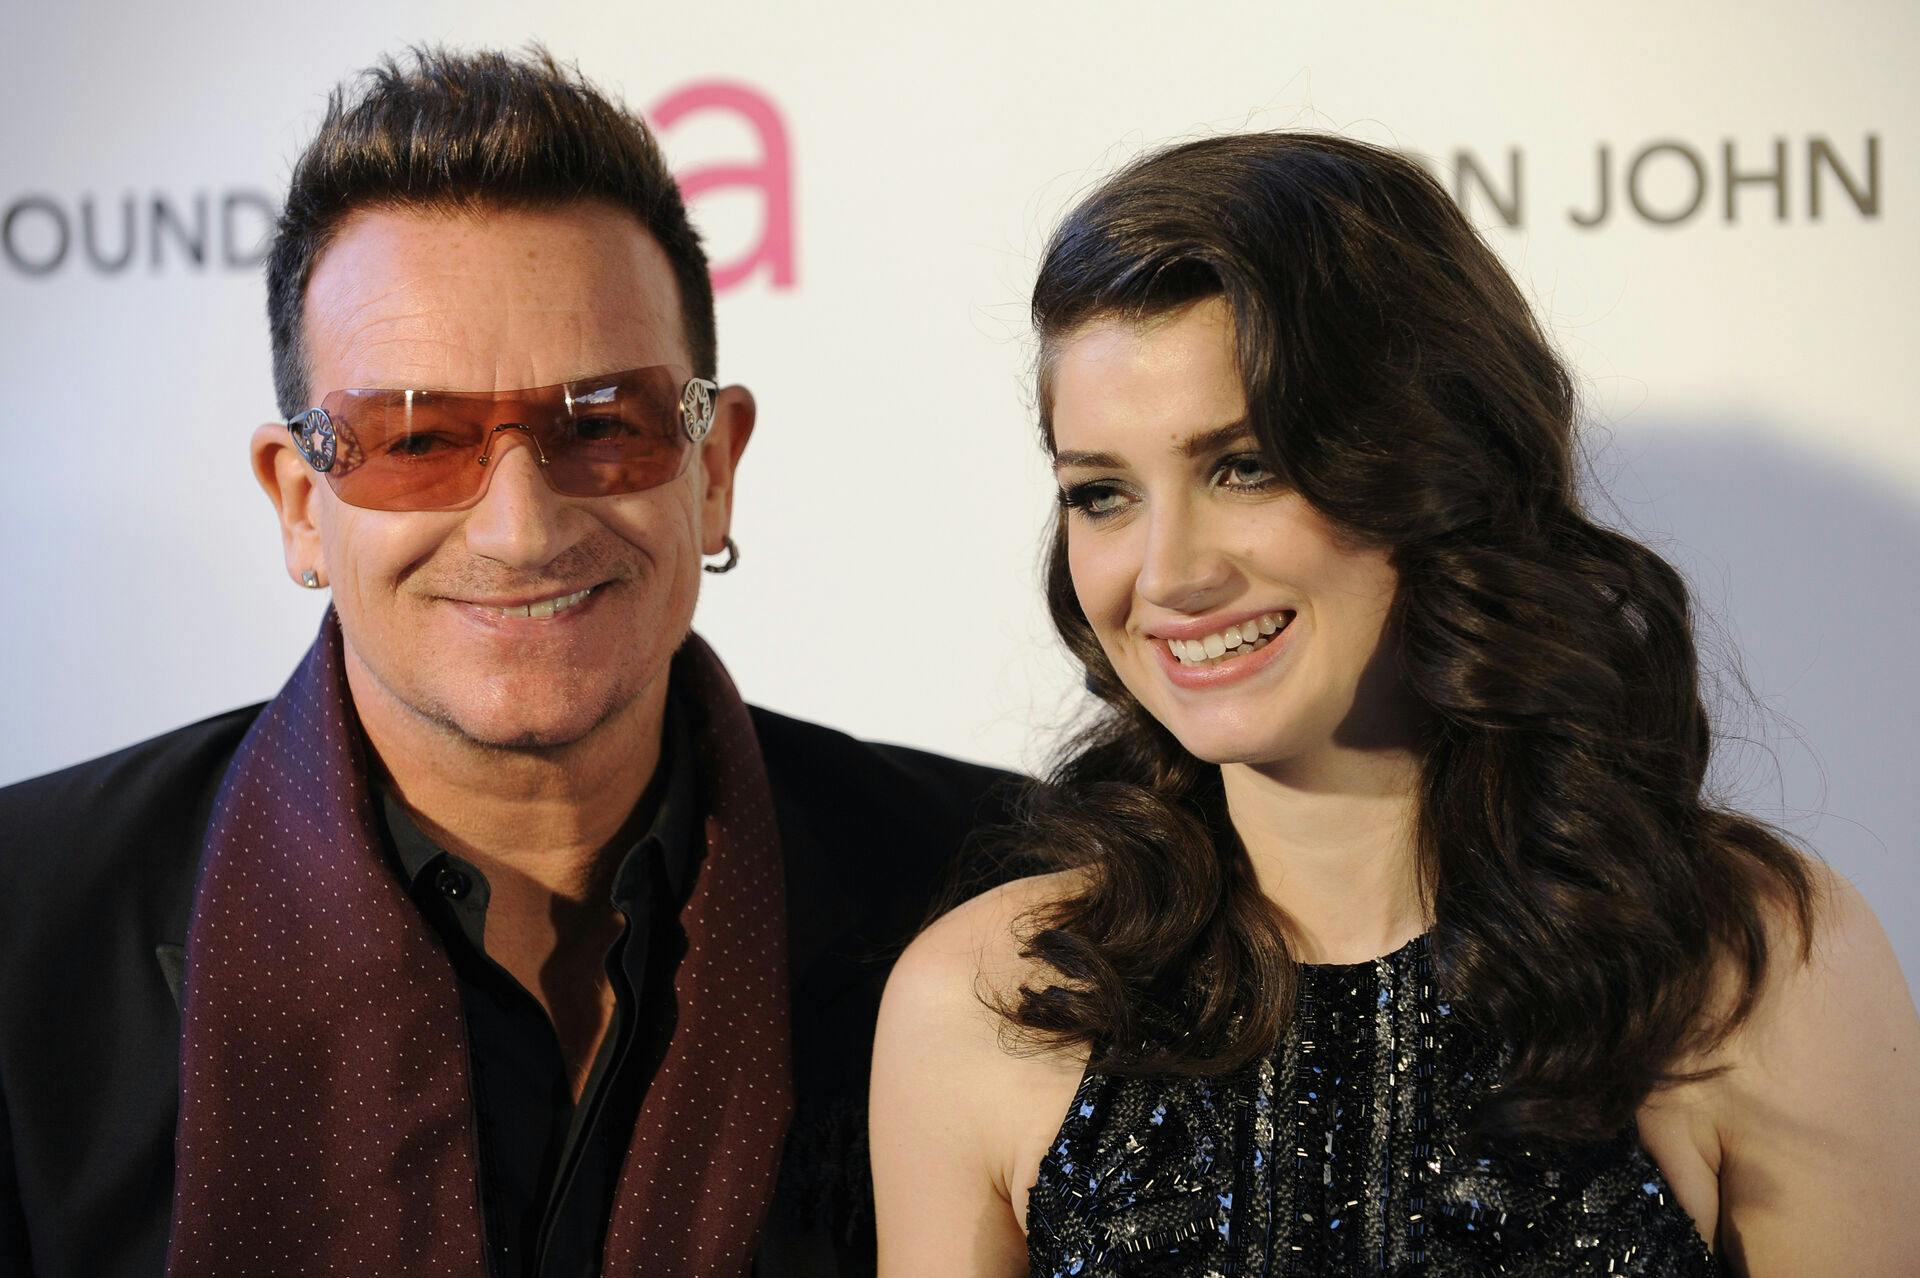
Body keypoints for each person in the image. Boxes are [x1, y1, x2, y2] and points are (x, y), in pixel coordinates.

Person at [0, 48, 1017, 1278]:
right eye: (417, 438)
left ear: (712, 470)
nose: (521, 526)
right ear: (295, 501)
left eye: (602, 425)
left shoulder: (1000, 898)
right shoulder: (26, 928)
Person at [870, 133, 1920, 1276]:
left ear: (1433, 467)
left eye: (1246, 466)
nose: (1166, 573)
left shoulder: (1742, 963)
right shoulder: (992, 1001)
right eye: (1102, 494)